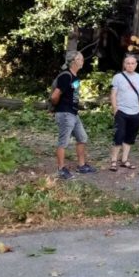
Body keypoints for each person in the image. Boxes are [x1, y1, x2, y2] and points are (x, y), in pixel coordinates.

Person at [50, 51, 97, 180]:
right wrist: (59, 108)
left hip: (73, 113)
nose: (82, 60)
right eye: (80, 59)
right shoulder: (66, 76)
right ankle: (61, 169)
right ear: (73, 61)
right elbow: (55, 96)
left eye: (82, 58)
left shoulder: (75, 77)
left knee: (82, 137)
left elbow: (73, 95)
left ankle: (81, 165)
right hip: (65, 113)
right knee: (63, 142)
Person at [109, 55, 139, 171]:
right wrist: (115, 109)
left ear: (136, 65)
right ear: (124, 65)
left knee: (130, 137)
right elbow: (113, 94)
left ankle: (124, 160)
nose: (130, 65)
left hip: (136, 112)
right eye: (128, 63)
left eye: (132, 63)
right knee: (119, 135)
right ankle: (113, 161)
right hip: (121, 111)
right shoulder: (118, 77)